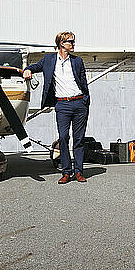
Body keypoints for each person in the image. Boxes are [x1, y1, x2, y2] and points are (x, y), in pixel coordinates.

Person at [23, 31, 90, 184]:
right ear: (61, 43)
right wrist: (28, 70)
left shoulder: (78, 61)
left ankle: (79, 172)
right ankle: (66, 172)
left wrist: (85, 100)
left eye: (73, 41)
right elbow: (35, 67)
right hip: (62, 104)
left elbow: (83, 83)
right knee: (63, 137)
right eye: (70, 42)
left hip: (79, 103)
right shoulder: (49, 59)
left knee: (79, 139)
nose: (73, 44)